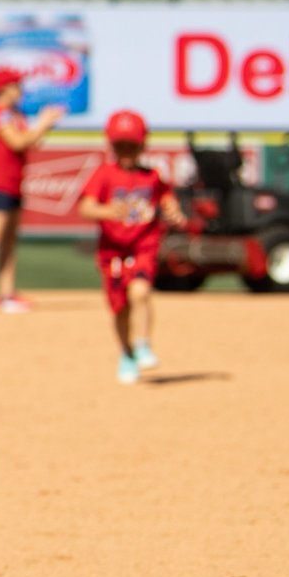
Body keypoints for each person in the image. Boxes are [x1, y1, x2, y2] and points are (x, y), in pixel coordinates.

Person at [77, 109, 185, 384]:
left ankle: (143, 343)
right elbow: (86, 208)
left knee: (140, 292)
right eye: (120, 145)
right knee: (120, 308)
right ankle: (126, 353)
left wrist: (174, 213)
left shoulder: (152, 177)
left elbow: (167, 200)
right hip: (112, 252)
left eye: (132, 145)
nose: (126, 151)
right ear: (111, 145)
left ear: (142, 146)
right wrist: (108, 211)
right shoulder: (104, 175)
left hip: (143, 247)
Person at [0, 69, 64, 314]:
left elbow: (32, 142)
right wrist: (42, 123)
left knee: (9, 241)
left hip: (13, 182)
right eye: (17, 85)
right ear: (4, 88)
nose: (21, 90)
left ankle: (6, 293)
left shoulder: (14, 114)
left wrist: (45, 125)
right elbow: (18, 142)